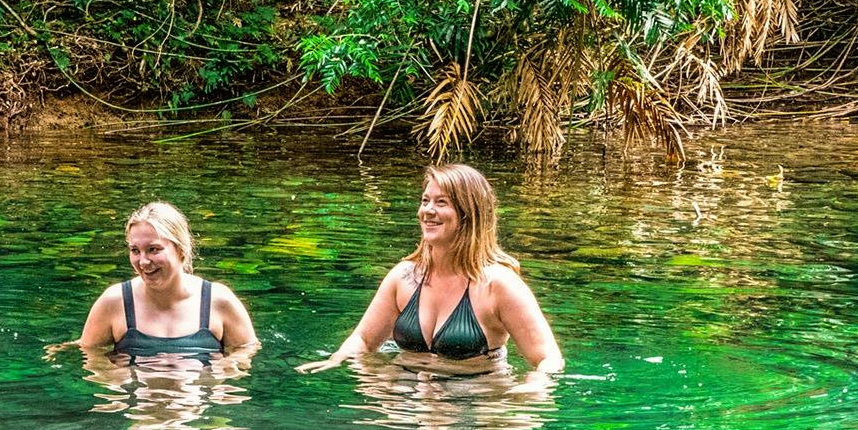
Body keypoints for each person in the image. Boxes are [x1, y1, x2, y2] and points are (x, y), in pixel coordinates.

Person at [297, 163, 562, 375]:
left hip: (475, 402)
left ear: (469, 213)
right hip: (405, 397)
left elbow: (548, 359)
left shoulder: (498, 285)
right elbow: (364, 340)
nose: (428, 211)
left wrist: (529, 391)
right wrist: (335, 362)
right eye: (425, 201)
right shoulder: (403, 276)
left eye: (441, 202)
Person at [79, 201, 258, 359]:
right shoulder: (114, 301)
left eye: (153, 249)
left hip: (198, 395)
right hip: (136, 395)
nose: (143, 261)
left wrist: (220, 375)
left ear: (181, 250)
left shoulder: (218, 301)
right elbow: (90, 356)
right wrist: (116, 379)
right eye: (135, 250)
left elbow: (246, 352)